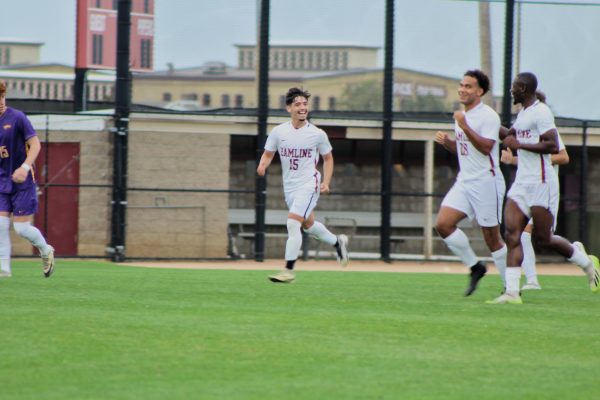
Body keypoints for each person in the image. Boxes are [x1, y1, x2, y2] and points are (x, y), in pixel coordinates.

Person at [488, 72, 599, 304]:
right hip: (521, 184)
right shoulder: (524, 114)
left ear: (524, 89)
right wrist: (486, 126)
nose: (511, 91)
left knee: (544, 239)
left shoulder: (542, 112)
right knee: (512, 234)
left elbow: (552, 145)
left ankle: (588, 265)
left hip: (541, 183)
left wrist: (519, 144)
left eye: (514, 87)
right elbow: (511, 136)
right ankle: (512, 292)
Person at [257, 87, 349, 283]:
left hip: (309, 183)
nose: (302, 107)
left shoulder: (317, 134)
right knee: (308, 226)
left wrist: (325, 182)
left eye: (305, 104)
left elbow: (328, 159)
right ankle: (337, 243)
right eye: (297, 104)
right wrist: (262, 165)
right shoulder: (278, 131)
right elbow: (268, 153)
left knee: (292, 223)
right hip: (290, 187)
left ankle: (288, 271)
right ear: (288, 108)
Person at [434, 69, 507, 296]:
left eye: (468, 86)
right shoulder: (463, 115)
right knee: (443, 224)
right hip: (465, 181)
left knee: (492, 238)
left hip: (487, 182)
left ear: (480, 91)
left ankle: (511, 288)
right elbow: (465, 150)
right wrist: (448, 143)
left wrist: (464, 125)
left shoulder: (488, 116)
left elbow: (486, 148)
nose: (462, 89)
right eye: (461, 85)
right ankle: (476, 267)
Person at [500, 90, 569, 290]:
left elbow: (563, 156)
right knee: (519, 233)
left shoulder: (546, 125)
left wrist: (516, 156)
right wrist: (512, 159)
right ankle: (529, 281)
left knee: (543, 237)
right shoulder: (523, 123)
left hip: (544, 186)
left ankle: (580, 257)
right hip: (526, 186)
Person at [0, 81, 55, 279]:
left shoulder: (17, 118)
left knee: (21, 229)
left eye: (2, 96)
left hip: (23, 183)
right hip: (2, 182)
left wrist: (24, 167)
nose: (1, 101)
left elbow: (35, 144)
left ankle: (45, 249)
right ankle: (4, 269)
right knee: (0, 224)